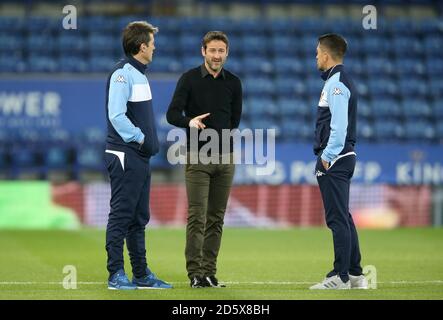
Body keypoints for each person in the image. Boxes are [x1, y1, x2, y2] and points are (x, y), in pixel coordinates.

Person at [166, 31, 242, 288]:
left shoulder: (234, 82)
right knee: (197, 217)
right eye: (213, 51)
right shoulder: (188, 79)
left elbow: (235, 120)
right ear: (204, 52)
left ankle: (209, 273)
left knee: (216, 218)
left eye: (221, 51)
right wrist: (190, 121)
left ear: (226, 53)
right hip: (198, 157)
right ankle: (195, 275)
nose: (217, 55)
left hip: (226, 158)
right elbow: (171, 114)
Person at [104, 21, 172, 290]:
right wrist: (142, 139)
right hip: (125, 153)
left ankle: (141, 274)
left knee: (138, 217)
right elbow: (116, 116)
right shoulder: (123, 73)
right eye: (152, 44)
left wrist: (145, 145)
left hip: (138, 156)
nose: (154, 48)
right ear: (141, 47)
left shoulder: (139, 74)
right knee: (121, 215)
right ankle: (115, 274)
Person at [310, 33, 368, 290]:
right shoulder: (341, 80)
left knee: (336, 218)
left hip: (336, 157)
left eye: (316, 53)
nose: (315, 57)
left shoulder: (335, 83)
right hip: (344, 156)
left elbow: (339, 126)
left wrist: (327, 156)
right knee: (343, 216)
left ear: (325, 54)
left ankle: (340, 276)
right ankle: (355, 274)